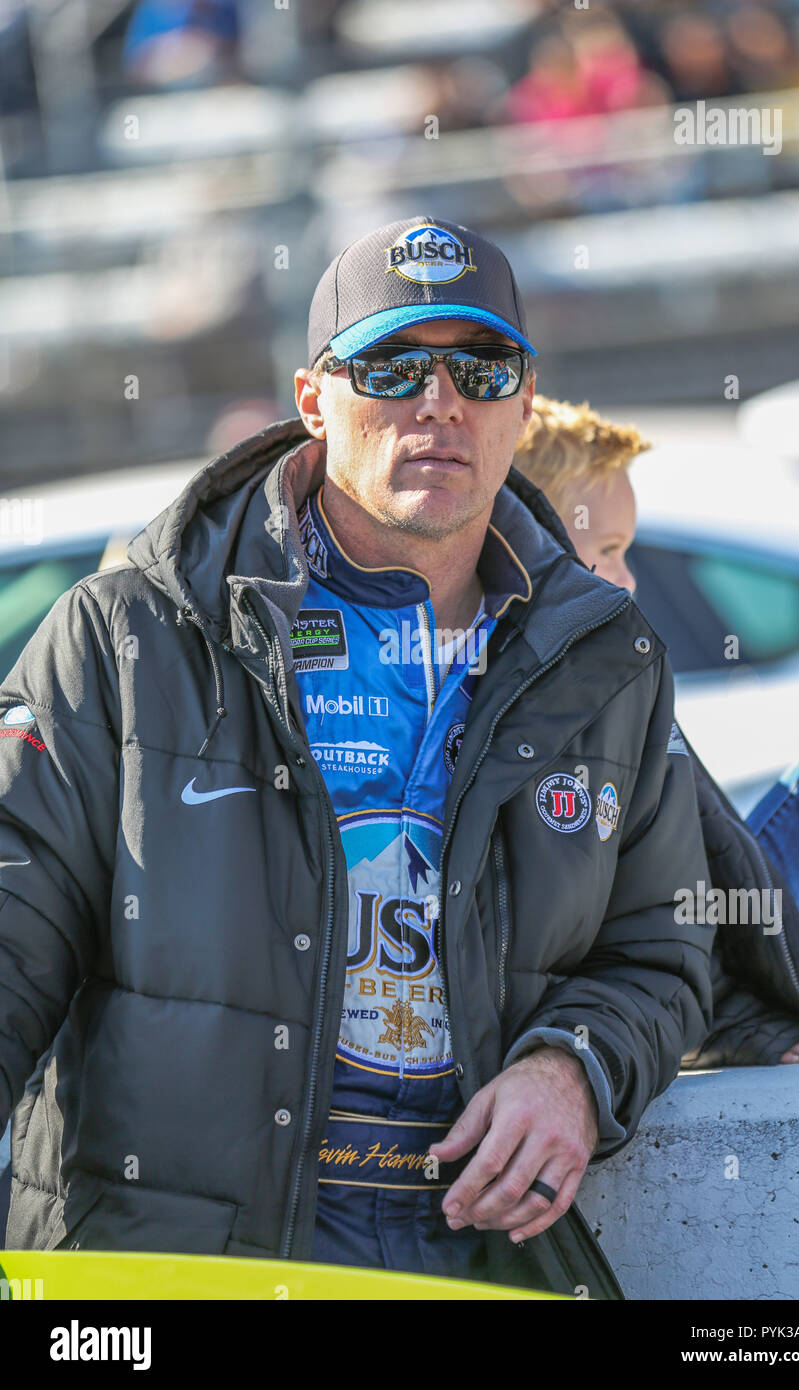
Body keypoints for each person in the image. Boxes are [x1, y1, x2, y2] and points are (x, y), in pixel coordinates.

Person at [0, 217, 715, 1296]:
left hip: (479, 1259)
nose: (438, 403)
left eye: (478, 369)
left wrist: (572, 1065)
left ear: (523, 405)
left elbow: (663, 946)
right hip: (180, 1273)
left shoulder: (605, 659)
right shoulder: (129, 635)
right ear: (312, 401)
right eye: (389, 367)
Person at [514, 393, 799, 1068]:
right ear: (535, 540)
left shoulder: (598, 662)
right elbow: (622, 925)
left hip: (715, 947)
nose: (629, 578)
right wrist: (734, 1020)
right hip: (696, 977)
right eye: (608, 550)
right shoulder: (572, 682)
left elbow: (703, 863)